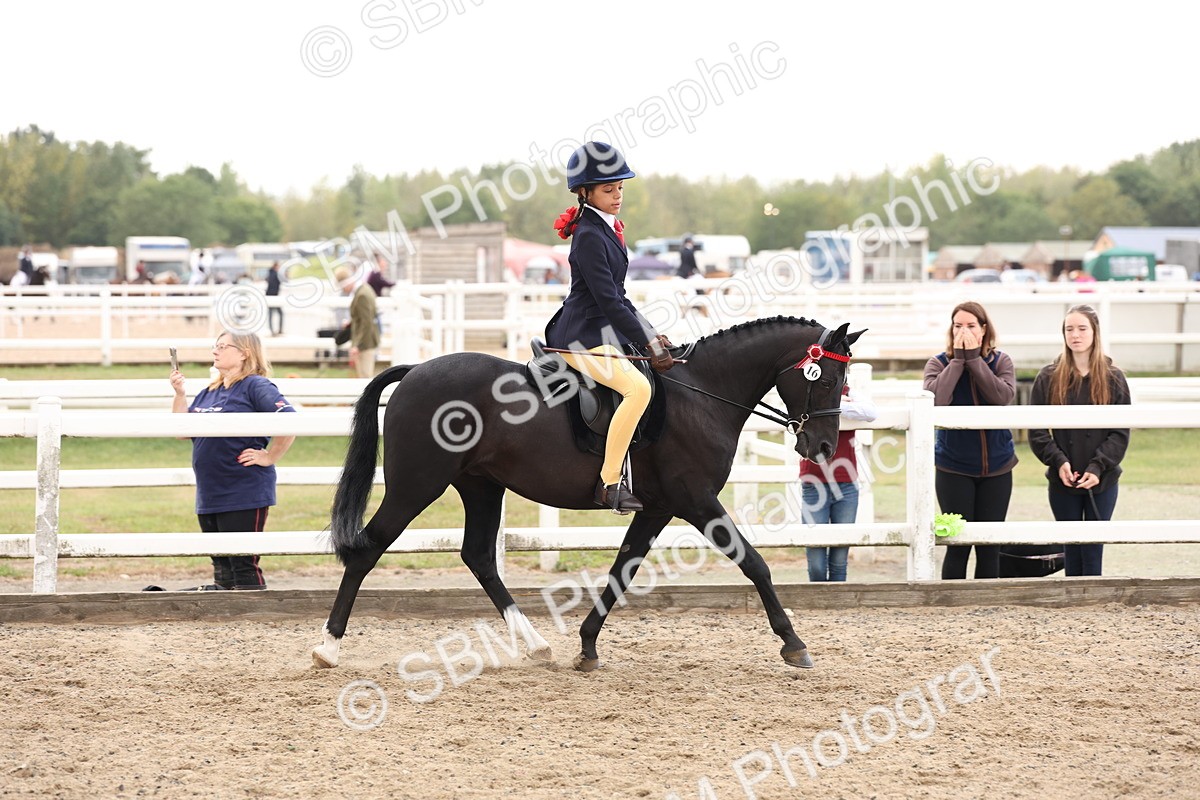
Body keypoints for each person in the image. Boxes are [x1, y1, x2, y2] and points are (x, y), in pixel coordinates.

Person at [545, 141, 675, 513]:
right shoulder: (587, 235)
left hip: (602, 332)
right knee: (636, 389)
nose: (618, 196)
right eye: (608, 189)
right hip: (580, 338)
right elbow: (608, 302)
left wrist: (650, 333)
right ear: (585, 193)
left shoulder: (607, 229)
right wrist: (645, 343)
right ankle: (609, 483)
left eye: (620, 188)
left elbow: (622, 295)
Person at [169, 331, 295, 590]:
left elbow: (288, 420)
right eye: (215, 346)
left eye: (223, 347)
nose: (215, 351)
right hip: (210, 490)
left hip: (243, 488)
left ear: (244, 353)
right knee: (221, 563)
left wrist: (270, 456)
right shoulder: (210, 391)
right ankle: (224, 615)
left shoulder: (256, 385)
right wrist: (180, 393)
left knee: (243, 563)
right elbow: (181, 431)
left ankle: (253, 613)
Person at [1029, 305, 1130, 576]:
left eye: (1082, 328)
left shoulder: (1113, 378)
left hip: (1103, 478)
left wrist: (1098, 467)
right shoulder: (1049, 377)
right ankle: (1071, 602)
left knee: (1093, 545)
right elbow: (1037, 431)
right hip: (1063, 478)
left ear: (1094, 332)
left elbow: (1119, 433)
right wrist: (1058, 461)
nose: (1075, 334)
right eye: (1069, 329)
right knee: (1071, 546)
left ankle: (1093, 603)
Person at [923, 301, 1017, 579]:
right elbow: (937, 400)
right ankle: (951, 602)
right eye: (958, 326)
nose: (963, 331)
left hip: (998, 466)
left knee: (989, 545)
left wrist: (975, 360)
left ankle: (987, 602)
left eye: (971, 325)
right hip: (954, 467)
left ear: (984, 329)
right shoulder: (937, 363)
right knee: (957, 544)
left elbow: (1001, 397)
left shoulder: (1001, 361)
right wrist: (959, 361)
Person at [800, 384, 877, 581]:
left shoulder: (851, 392)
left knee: (840, 559)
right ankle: (819, 601)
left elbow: (870, 412)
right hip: (814, 484)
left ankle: (837, 604)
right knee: (816, 559)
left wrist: (836, 404)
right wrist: (841, 405)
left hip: (846, 485)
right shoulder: (806, 392)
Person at [336, 264, 380, 378]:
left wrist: (358, 346)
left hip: (365, 343)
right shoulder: (365, 288)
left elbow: (367, 322)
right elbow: (364, 317)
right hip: (366, 340)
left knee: (365, 376)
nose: (343, 289)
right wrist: (352, 323)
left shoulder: (361, 295)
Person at [265, 261, 283, 336]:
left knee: (271, 314)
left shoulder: (270, 274)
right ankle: (278, 330)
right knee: (279, 314)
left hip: (269, 296)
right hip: (274, 296)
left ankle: (272, 331)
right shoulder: (276, 274)